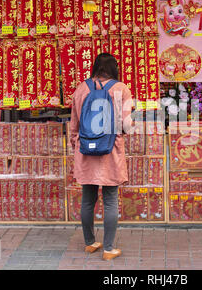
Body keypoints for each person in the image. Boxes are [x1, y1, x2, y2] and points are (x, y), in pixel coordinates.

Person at [69, 53, 132, 261]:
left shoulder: (81, 88)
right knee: (110, 200)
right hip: (110, 151)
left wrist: (76, 145)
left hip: (86, 150)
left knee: (87, 199)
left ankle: (89, 243)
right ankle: (108, 248)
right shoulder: (120, 88)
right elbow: (125, 125)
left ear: (95, 67)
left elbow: (74, 125)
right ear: (114, 68)